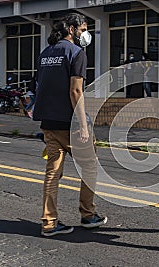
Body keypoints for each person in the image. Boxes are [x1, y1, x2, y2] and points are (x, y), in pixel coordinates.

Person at [33, 13, 107, 237]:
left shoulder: (46, 53)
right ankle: (88, 214)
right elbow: (76, 91)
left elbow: (39, 84)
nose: (86, 34)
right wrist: (84, 124)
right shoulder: (77, 53)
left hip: (49, 122)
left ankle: (49, 222)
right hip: (71, 124)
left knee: (52, 174)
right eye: (83, 29)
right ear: (72, 29)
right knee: (89, 168)